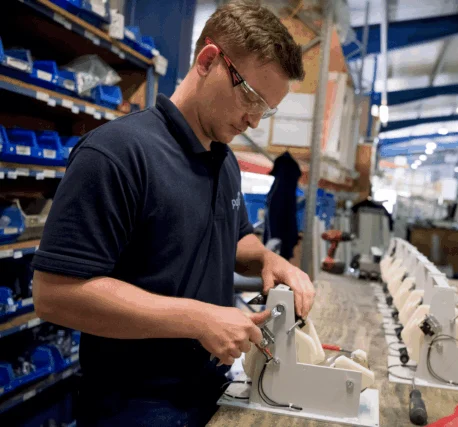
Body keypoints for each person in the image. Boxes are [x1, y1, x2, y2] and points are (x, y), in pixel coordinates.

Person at [31, 1, 314, 425]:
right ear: (208, 60)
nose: (254, 121)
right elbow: (54, 295)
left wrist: (267, 260)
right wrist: (197, 318)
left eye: (266, 109)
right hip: (132, 403)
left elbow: (234, 238)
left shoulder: (224, 160)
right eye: (251, 98)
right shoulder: (116, 154)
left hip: (210, 386)